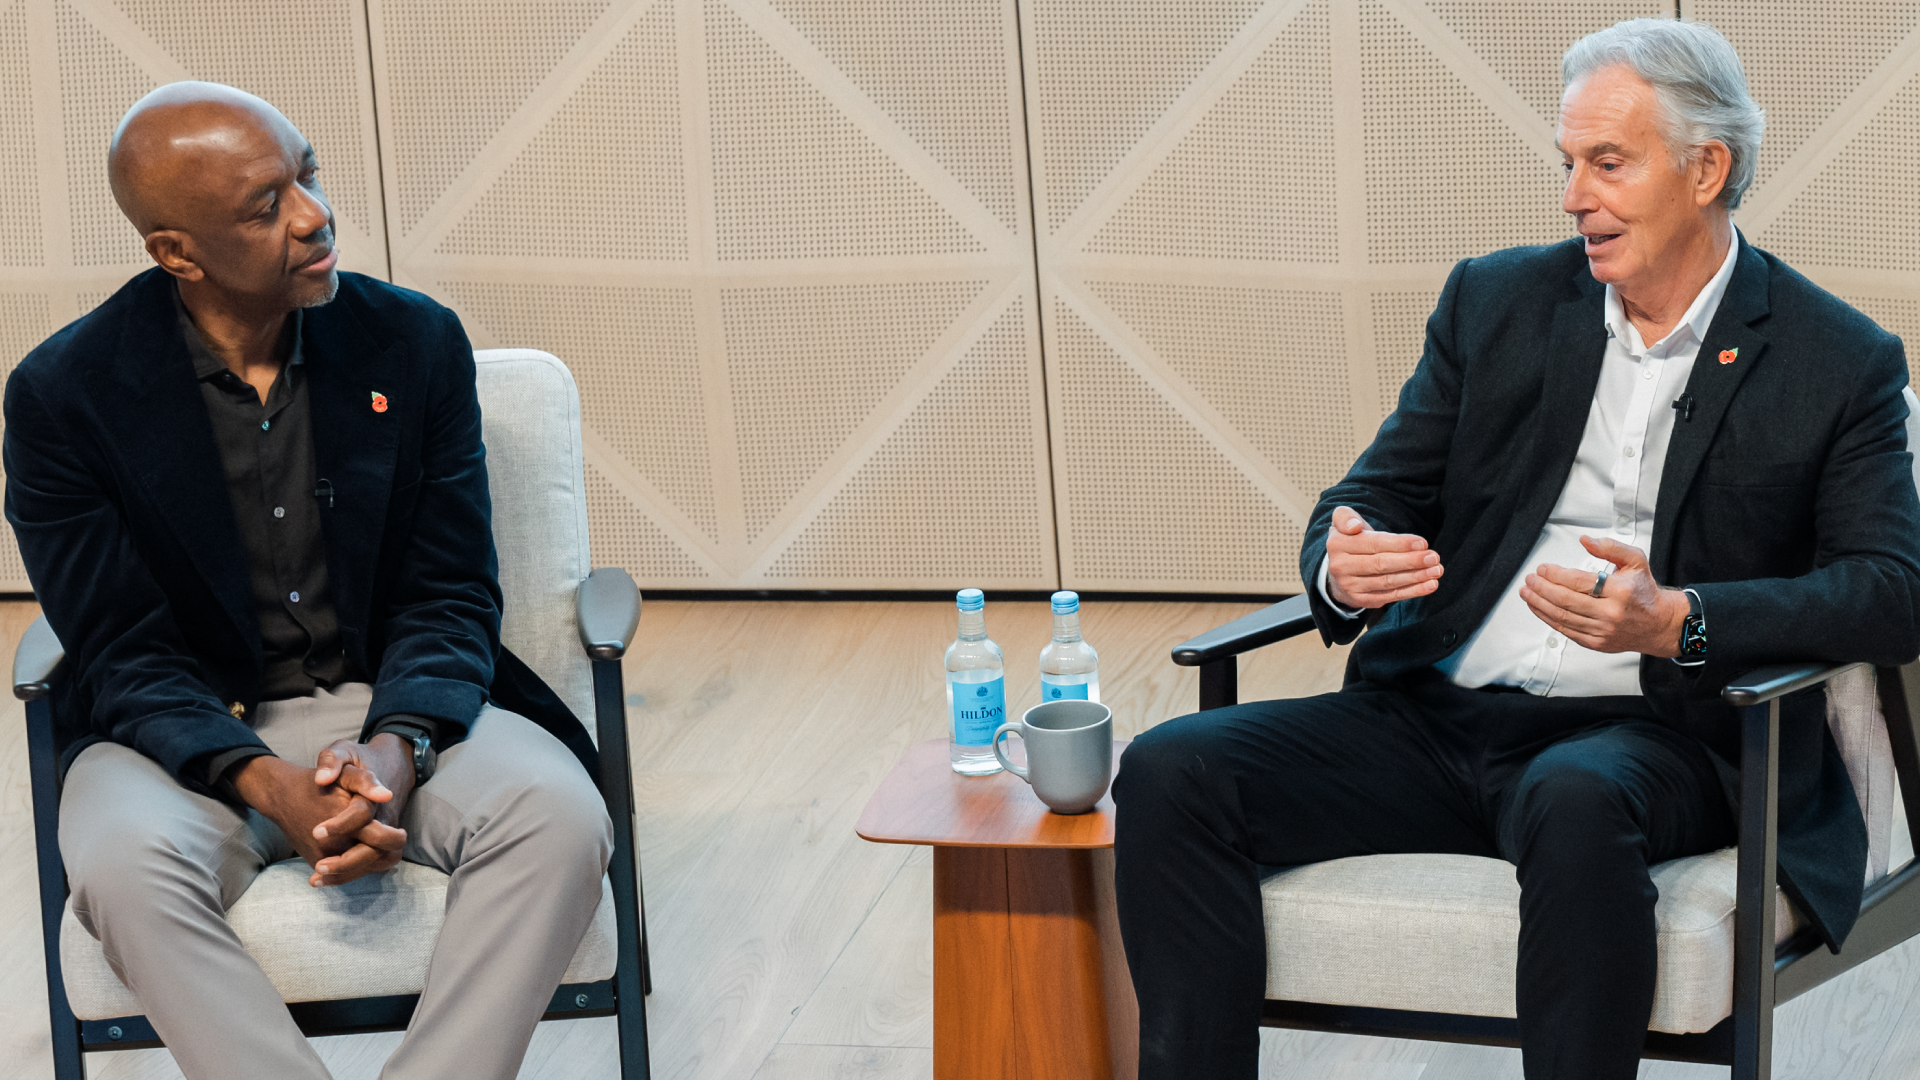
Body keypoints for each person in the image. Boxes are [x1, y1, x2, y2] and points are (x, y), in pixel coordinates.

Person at [1113, 18, 1920, 1080]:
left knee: (1575, 796)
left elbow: (1890, 591)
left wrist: (1685, 620)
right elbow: (1374, 492)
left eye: (1608, 163)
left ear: (1706, 168)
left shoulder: (1836, 359)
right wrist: (1341, 564)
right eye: (1568, 164)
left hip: (1659, 734)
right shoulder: (1496, 302)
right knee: (1172, 770)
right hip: (1438, 718)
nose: (1574, 195)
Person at [5, 82, 612, 1080]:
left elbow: (448, 592)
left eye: (309, 173)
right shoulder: (63, 396)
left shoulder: (411, 342)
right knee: (120, 866)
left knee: (555, 817)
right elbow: (120, 649)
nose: (312, 215)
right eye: (262, 207)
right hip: (186, 731)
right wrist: (261, 781)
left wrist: (397, 750)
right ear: (175, 251)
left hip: (393, 705)